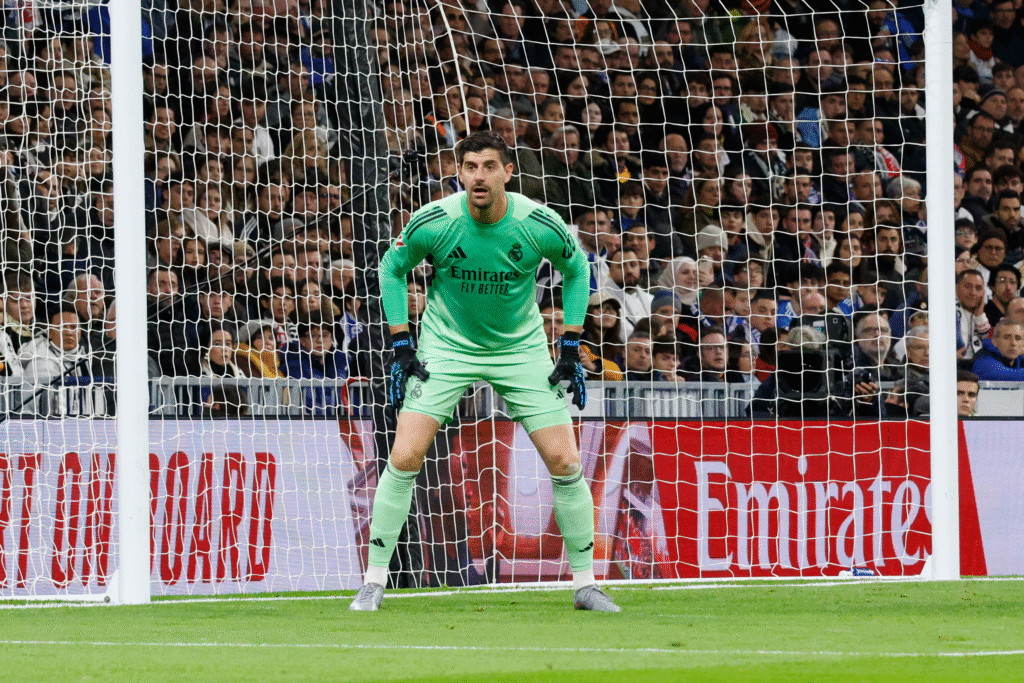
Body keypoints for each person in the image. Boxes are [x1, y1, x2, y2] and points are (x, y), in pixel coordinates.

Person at [349, 131, 618, 613]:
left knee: (566, 463)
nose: (478, 176)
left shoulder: (538, 222)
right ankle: (372, 582)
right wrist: (401, 343)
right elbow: (392, 269)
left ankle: (585, 584)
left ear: (507, 173)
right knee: (406, 456)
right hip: (447, 346)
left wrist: (572, 344)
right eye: (470, 166)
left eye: (489, 166)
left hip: (521, 349)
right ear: (459, 172)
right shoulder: (435, 220)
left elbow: (578, 271)